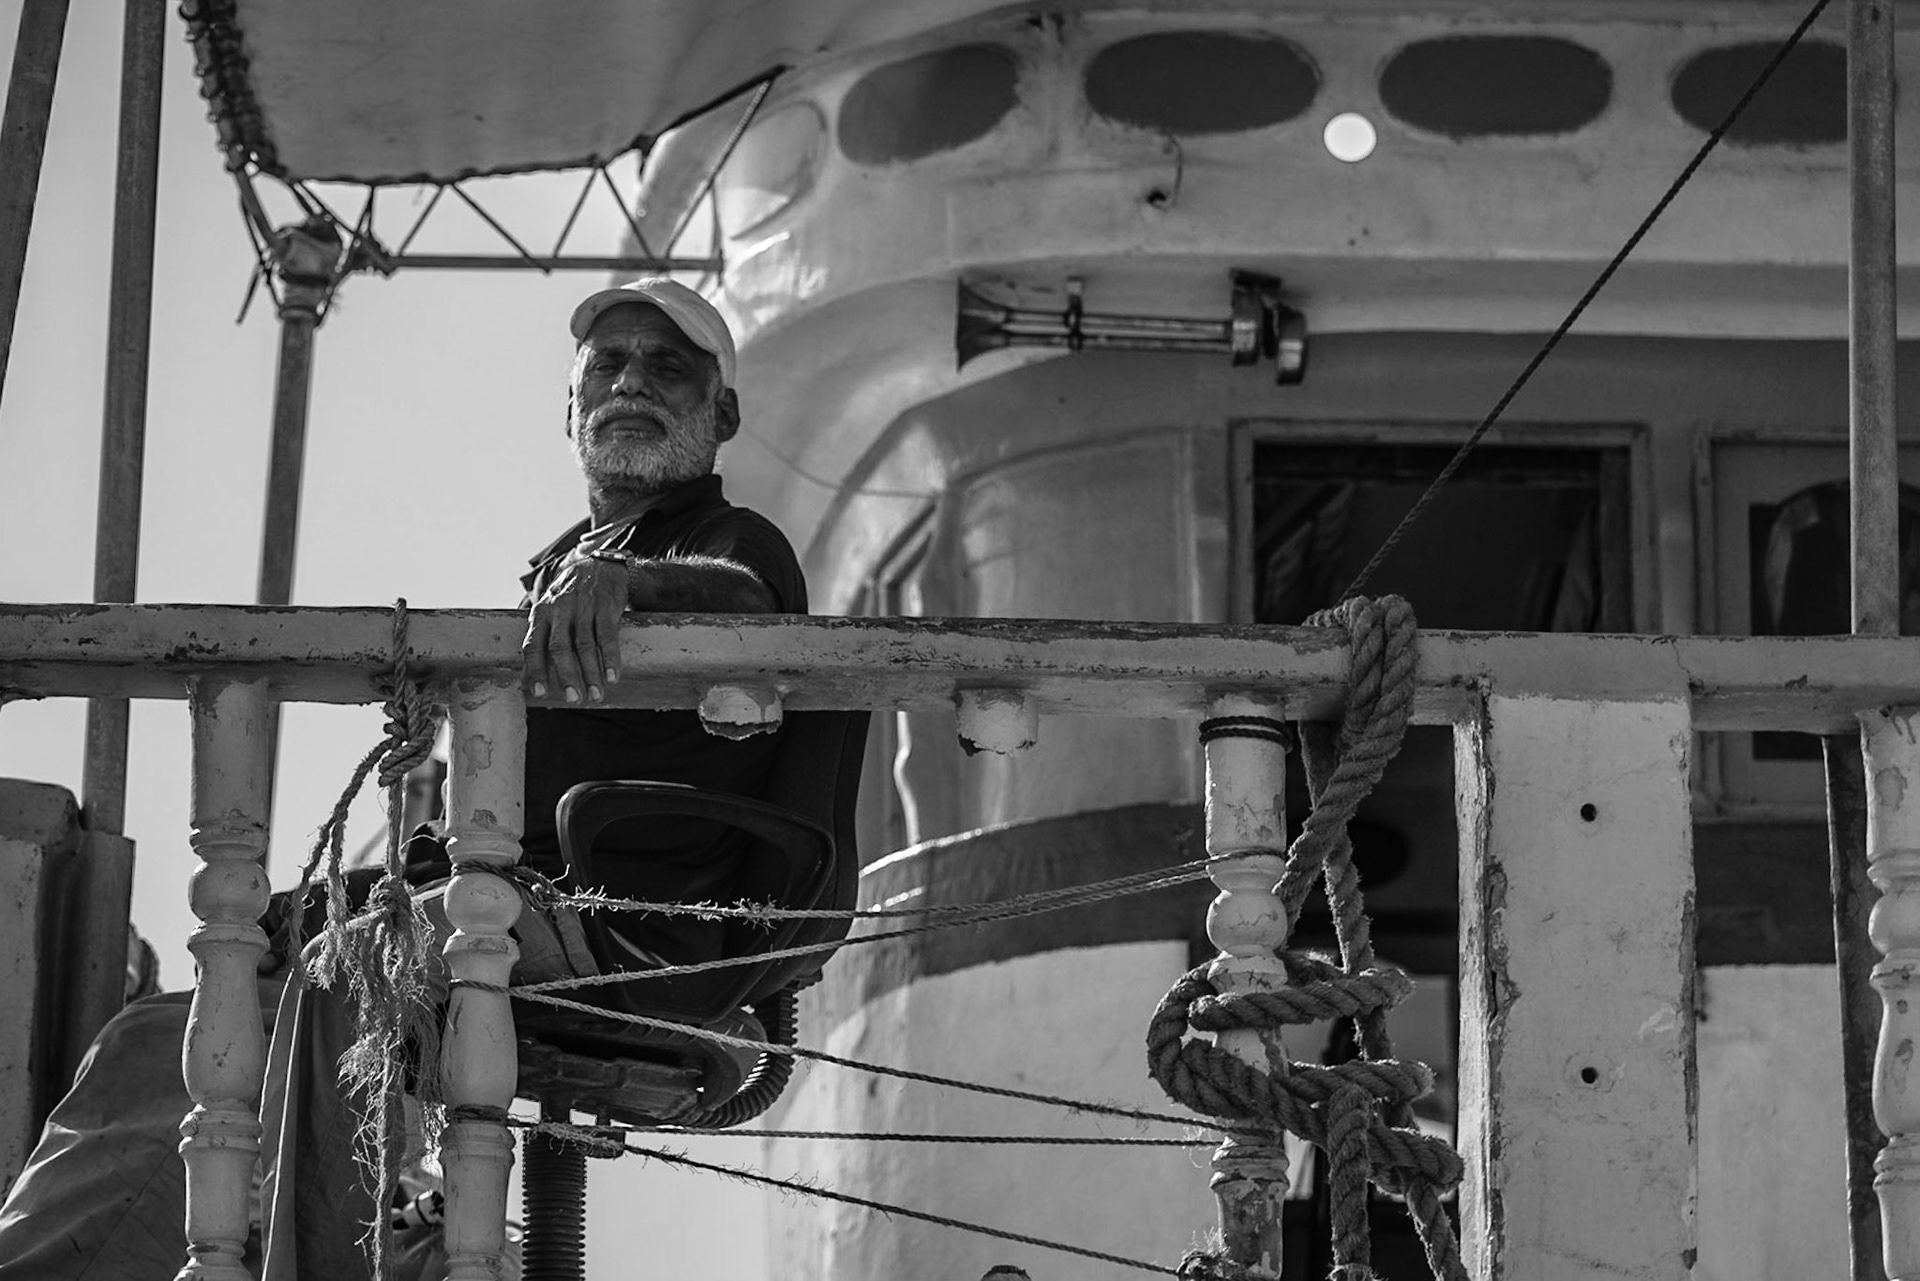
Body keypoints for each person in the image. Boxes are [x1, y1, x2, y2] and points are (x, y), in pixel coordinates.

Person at [0, 279, 804, 1278]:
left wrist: (631, 586)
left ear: (720, 414)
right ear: (570, 408)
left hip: (618, 922)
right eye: (608, 363)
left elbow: (754, 602)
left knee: (352, 972)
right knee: (178, 1023)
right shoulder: (563, 568)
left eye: (669, 366)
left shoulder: (725, 545)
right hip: (499, 901)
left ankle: (315, 1257)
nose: (632, 382)